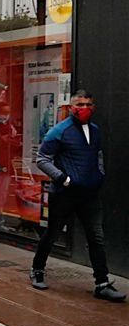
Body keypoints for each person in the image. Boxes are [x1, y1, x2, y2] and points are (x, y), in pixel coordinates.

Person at [31, 90, 125, 301]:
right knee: (52, 233)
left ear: (94, 107)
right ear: (71, 108)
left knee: (96, 238)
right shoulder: (59, 131)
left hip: (90, 194)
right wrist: (64, 179)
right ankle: (37, 269)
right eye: (80, 104)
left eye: (88, 104)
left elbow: (98, 154)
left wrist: (99, 174)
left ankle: (102, 283)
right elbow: (42, 158)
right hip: (64, 194)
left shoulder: (95, 130)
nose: (84, 108)